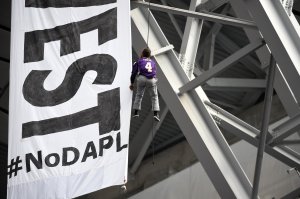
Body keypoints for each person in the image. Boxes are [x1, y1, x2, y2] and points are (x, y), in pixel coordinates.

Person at [130, 48, 160, 121]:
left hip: (142, 78)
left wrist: (132, 83)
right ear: (149, 55)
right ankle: (155, 114)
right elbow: (154, 73)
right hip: (151, 80)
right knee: (154, 96)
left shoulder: (139, 61)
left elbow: (134, 73)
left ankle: (136, 112)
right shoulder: (153, 62)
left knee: (139, 95)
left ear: (142, 54)